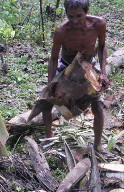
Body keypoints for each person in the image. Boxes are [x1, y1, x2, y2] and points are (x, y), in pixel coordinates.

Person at [43, 0, 112, 156]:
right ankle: (48, 139)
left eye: (79, 16)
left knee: (98, 107)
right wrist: (50, 84)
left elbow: (101, 46)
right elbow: (53, 58)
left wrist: (103, 72)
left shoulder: (99, 24)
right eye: (70, 17)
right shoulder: (61, 31)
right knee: (47, 104)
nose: (74, 21)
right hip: (66, 66)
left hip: (88, 66)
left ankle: (98, 145)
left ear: (87, 11)